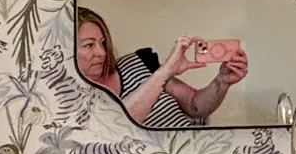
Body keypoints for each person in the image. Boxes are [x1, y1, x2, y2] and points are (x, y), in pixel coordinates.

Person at [73, 8, 247, 129]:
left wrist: (222, 81)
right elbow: (119, 127)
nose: (101, 52)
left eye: (103, 43)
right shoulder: (67, 100)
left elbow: (195, 105)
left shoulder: (139, 62)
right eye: (89, 45)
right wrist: (165, 71)